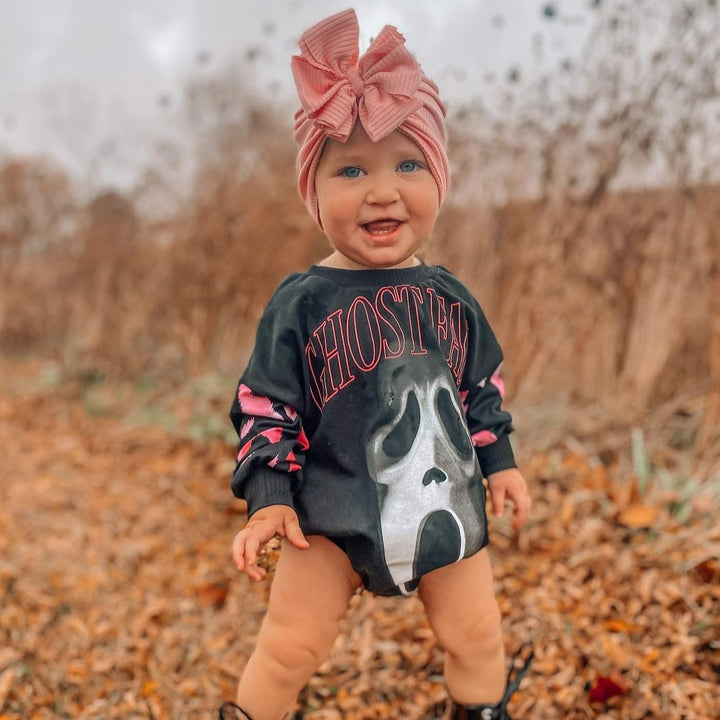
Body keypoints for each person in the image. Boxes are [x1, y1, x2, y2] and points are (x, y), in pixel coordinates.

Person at [219, 9, 532, 720]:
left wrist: (500, 460)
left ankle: (481, 711)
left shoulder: (449, 297)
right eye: (351, 169)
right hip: (327, 519)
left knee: (477, 635)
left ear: (439, 179)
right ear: (315, 191)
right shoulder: (301, 302)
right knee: (289, 647)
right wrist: (269, 497)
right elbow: (266, 407)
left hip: (446, 502)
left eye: (408, 164)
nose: (382, 190)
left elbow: (480, 387)